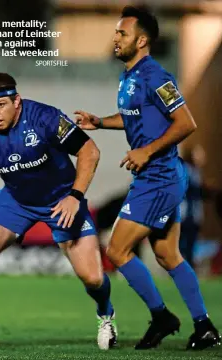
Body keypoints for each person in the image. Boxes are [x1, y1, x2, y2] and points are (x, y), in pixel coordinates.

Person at [0, 72, 118, 351]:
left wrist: (75, 196)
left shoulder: (45, 118)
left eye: (1, 105)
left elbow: (90, 151)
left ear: (17, 101)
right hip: (16, 201)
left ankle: (106, 314)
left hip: (62, 200)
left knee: (92, 278)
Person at [74, 6, 220, 350]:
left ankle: (161, 316)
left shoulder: (156, 76)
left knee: (118, 248)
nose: (115, 38)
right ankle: (204, 327)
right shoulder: (129, 77)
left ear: (141, 40)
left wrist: (147, 151)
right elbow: (133, 118)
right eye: (116, 32)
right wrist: (101, 122)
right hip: (156, 178)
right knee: (169, 256)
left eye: (122, 33)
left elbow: (186, 123)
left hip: (159, 176)